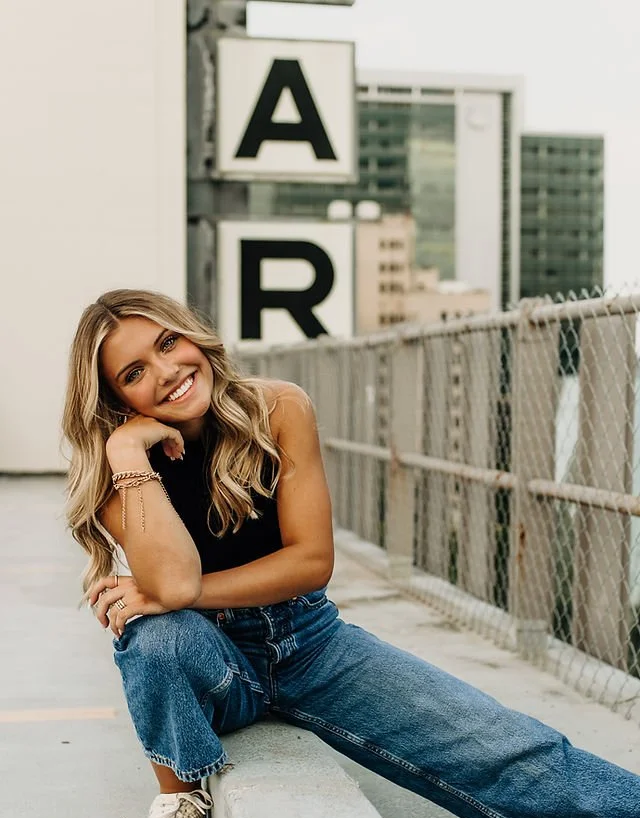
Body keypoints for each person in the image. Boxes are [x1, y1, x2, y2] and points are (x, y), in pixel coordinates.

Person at [63, 288, 640, 818]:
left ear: (193, 335)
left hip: (309, 643)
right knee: (153, 638)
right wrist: (127, 451)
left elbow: (310, 562)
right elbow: (172, 584)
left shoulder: (279, 409)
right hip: (216, 665)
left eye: (168, 343)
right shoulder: (114, 466)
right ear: (115, 398)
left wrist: (174, 594)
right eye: (135, 372)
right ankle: (181, 800)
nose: (167, 372)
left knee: (511, 749)